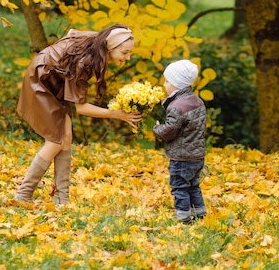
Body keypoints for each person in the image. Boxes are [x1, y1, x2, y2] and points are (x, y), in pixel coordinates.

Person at [15, 24, 141, 205]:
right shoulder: (86, 62)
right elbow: (81, 108)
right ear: (111, 47)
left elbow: (71, 33)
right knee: (55, 140)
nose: (127, 58)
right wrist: (116, 114)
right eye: (124, 52)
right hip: (42, 82)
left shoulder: (97, 43)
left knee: (66, 137)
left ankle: (61, 198)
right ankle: (23, 194)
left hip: (57, 82)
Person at [153, 59, 207, 223]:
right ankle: (199, 213)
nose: (164, 84)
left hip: (182, 158)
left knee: (179, 188)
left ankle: (183, 218)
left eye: (167, 81)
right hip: (197, 156)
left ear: (177, 83)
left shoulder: (177, 106)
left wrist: (157, 129)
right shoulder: (196, 101)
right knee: (193, 186)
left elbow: (169, 132)